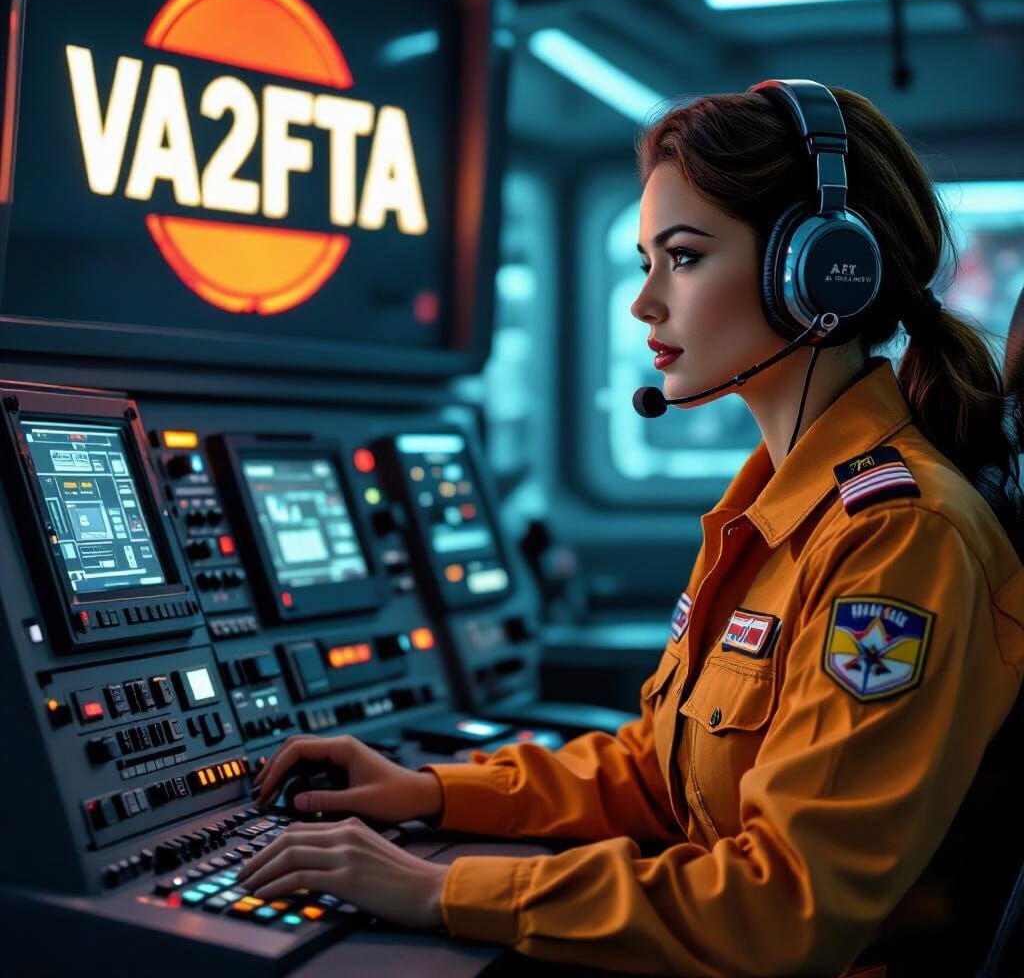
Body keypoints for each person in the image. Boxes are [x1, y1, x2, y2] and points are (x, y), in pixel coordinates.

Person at [237, 82, 1024, 977]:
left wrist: (438, 889)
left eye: (683, 258)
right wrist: (429, 791)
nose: (644, 302)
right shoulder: (772, 510)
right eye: (646, 260)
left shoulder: (901, 540)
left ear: (819, 271)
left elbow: (783, 909)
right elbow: (660, 774)